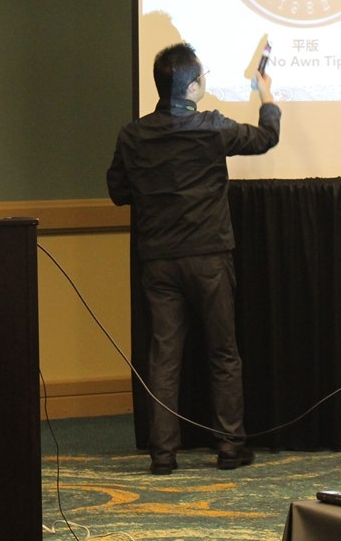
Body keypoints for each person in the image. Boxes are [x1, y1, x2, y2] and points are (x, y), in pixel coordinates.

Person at [107, 42, 280, 474]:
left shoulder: (133, 135)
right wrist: (266, 95)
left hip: (159, 261)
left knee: (164, 358)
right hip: (208, 258)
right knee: (223, 354)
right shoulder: (211, 127)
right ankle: (230, 447)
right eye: (202, 76)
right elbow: (266, 138)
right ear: (191, 87)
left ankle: (163, 454)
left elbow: (118, 192)